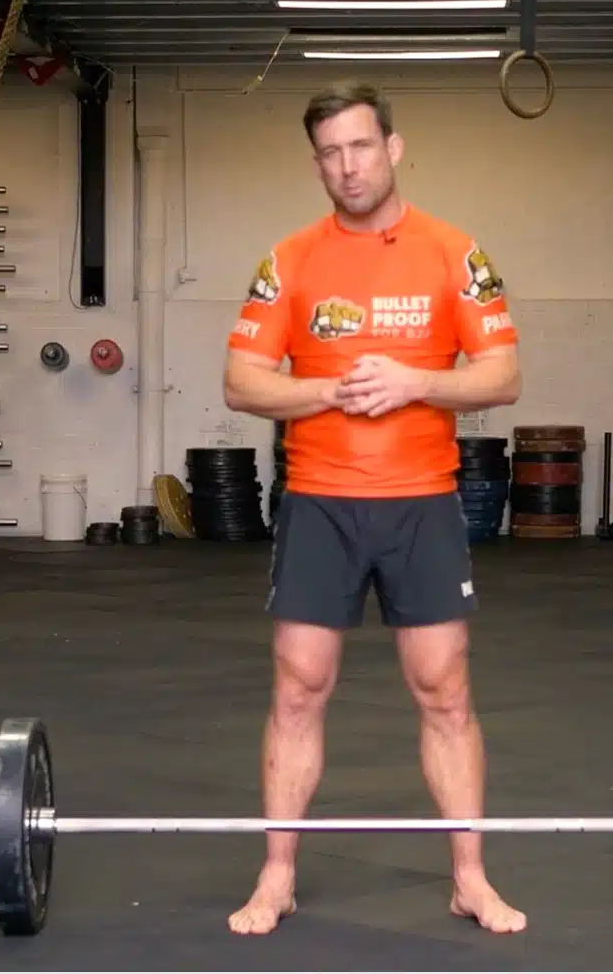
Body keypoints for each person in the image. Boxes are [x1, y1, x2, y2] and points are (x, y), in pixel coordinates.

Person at [220, 79, 525, 937]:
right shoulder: (290, 260)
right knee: (298, 688)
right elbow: (241, 381)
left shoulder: (453, 252)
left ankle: (470, 876)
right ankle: (276, 875)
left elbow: (502, 374)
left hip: (422, 502)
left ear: (392, 148)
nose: (347, 166)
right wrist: (329, 393)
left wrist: (413, 382)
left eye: (360, 147)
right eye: (329, 153)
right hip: (318, 502)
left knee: (444, 691)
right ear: (316, 162)